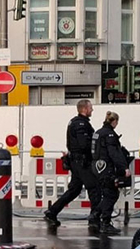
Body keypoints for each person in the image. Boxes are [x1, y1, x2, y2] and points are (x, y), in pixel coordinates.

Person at [42, 99, 96, 229]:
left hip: (76, 161)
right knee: (94, 189)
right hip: (82, 162)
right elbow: (84, 144)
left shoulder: (74, 122)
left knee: (74, 190)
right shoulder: (81, 124)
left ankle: (52, 211)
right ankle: (95, 219)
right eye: (90, 108)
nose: (92, 110)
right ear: (84, 109)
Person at [90, 111, 129, 236]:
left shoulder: (97, 133)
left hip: (96, 166)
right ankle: (105, 222)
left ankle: (96, 215)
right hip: (106, 167)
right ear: (114, 121)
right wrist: (124, 168)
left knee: (106, 193)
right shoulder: (110, 135)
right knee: (111, 194)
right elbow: (114, 154)